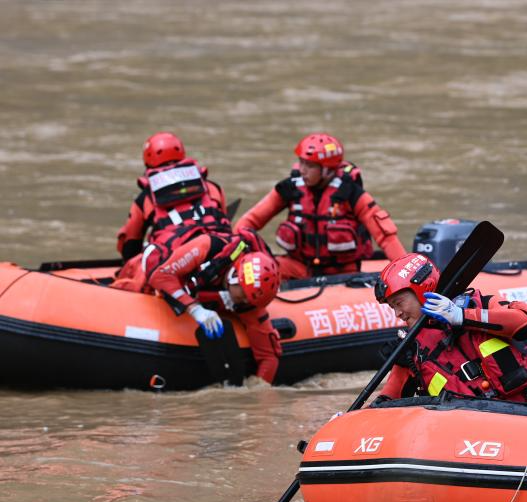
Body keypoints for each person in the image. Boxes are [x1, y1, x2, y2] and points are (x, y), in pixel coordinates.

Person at [373, 254, 527, 402]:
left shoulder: (478, 304)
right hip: (471, 429)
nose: (397, 313)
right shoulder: (411, 349)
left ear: (421, 290)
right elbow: (390, 395)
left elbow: (524, 322)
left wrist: (461, 316)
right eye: (392, 307)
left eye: (399, 303)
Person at [234, 132, 405, 280]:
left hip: (342, 273)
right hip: (298, 267)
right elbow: (249, 222)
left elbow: (386, 237)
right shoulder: (290, 189)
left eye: (309, 165)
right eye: (301, 162)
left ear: (327, 169)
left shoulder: (351, 193)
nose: (302, 170)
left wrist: (404, 273)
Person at [147, 228, 283, 384]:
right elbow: (159, 275)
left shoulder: (251, 298)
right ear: (235, 277)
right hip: (171, 261)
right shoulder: (208, 247)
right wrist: (195, 309)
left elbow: (269, 357)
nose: (244, 302)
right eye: (244, 296)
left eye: (249, 301)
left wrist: (258, 397)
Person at [112, 132, 230, 291]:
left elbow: (130, 243)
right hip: (222, 259)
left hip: (176, 267)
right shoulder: (213, 188)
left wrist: (128, 267)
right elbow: (225, 225)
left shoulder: (145, 198)